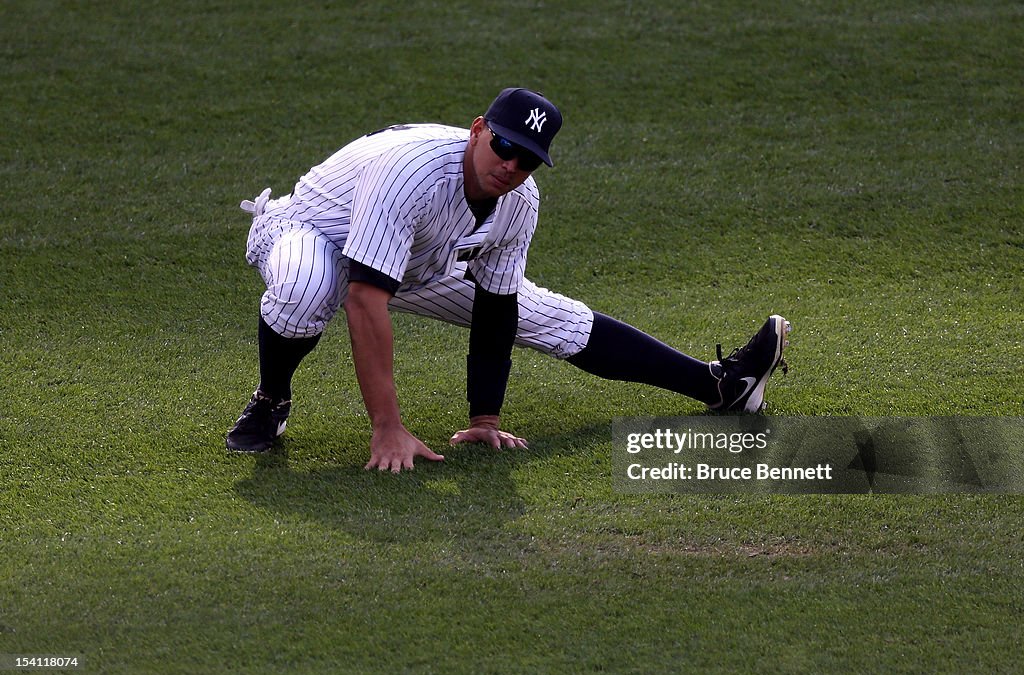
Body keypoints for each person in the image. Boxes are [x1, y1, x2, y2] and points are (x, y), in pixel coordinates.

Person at [226, 87, 791, 472]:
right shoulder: (413, 172)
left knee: (545, 315)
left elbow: (498, 309)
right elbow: (365, 298)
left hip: (418, 260)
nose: (510, 167)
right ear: (477, 131)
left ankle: (723, 386)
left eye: (526, 160)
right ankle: (270, 402)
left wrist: (485, 419)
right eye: (502, 146)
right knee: (307, 286)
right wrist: (388, 428)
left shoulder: (518, 200)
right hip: (313, 231)